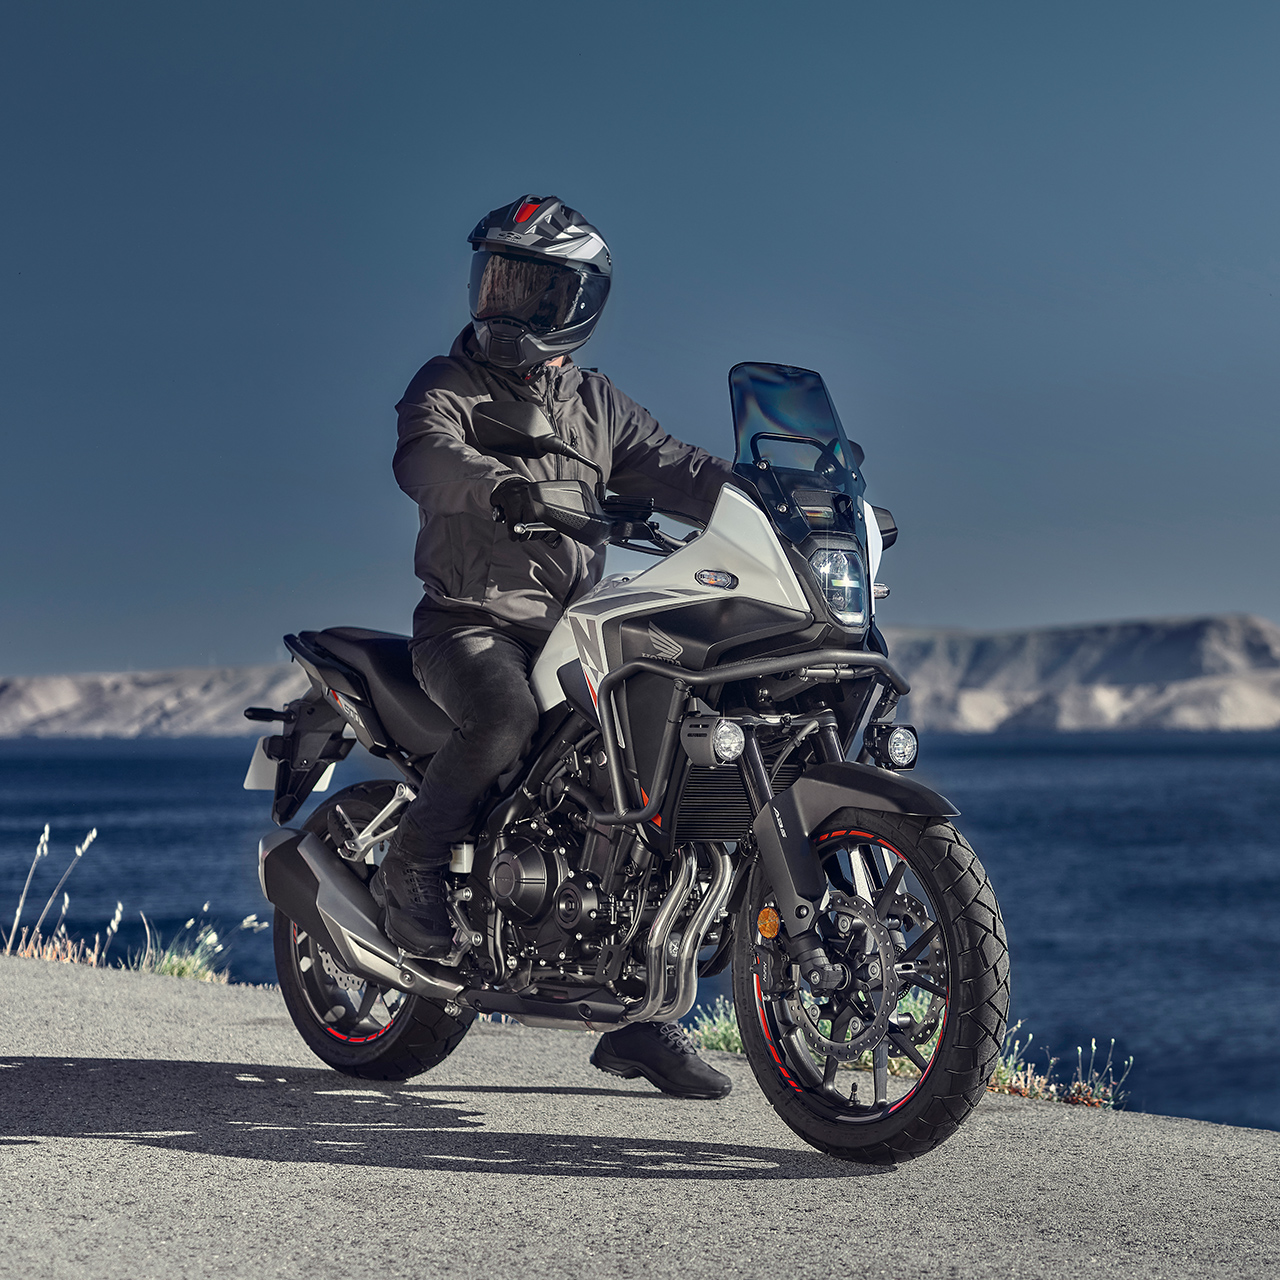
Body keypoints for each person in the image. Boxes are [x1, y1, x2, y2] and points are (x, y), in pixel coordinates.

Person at [376, 195, 735, 1099]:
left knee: (655, 787)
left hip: (577, 633)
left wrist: (784, 503)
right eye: (494, 280)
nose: (501, 303)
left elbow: (684, 468)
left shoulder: (597, 405)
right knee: (503, 716)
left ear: (575, 303)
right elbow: (423, 455)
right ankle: (412, 865)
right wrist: (499, 487)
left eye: (527, 288)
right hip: (470, 623)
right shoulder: (448, 383)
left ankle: (641, 1017)